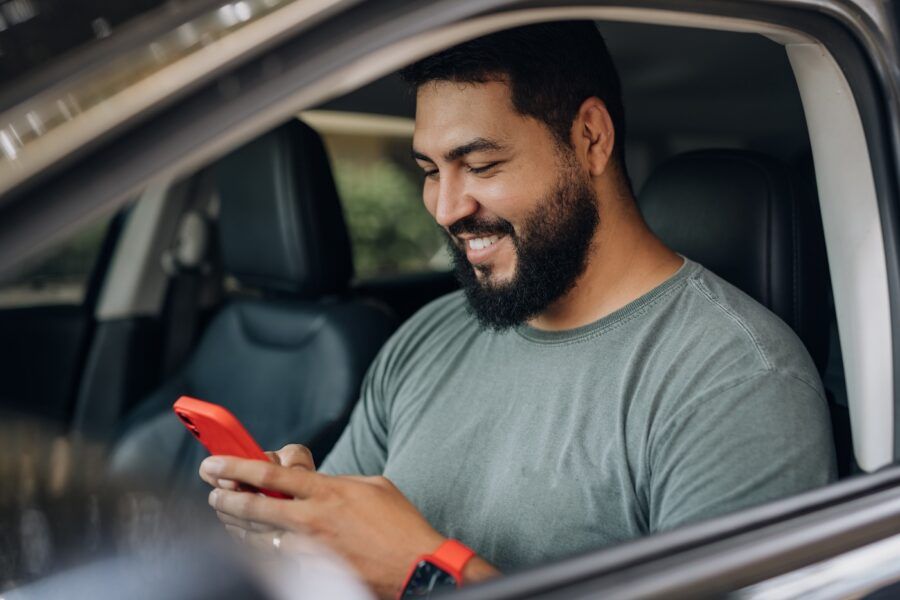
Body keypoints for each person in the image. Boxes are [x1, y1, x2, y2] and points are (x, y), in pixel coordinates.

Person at [199, 21, 836, 599]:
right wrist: (287, 525)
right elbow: (333, 565)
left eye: (480, 165)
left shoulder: (737, 379)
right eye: (430, 170)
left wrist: (428, 573)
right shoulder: (428, 337)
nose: (446, 209)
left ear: (590, 138)